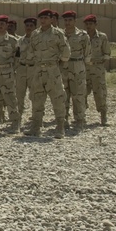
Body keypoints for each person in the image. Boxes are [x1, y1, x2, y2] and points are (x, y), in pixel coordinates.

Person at [25, 9, 71, 138]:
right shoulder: (35, 34)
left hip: (52, 70)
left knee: (57, 98)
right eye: (41, 18)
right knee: (37, 98)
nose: (43, 20)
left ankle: (60, 127)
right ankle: (36, 127)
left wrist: (59, 64)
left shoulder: (58, 33)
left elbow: (66, 52)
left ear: (52, 19)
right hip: (38, 69)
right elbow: (30, 51)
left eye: (46, 18)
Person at [61, 10, 92, 129]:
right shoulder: (60, 35)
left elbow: (87, 52)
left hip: (77, 65)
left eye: (70, 20)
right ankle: (64, 119)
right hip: (63, 66)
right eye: (66, 20)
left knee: (78, 94)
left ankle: (80, 119)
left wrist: (85, 66)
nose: (67, 22)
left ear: (74, 21)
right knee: (63, 94)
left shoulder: (82, 35)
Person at [84, 14, 111, 125]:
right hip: (84, 69)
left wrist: (99, 62)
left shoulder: (102, 37)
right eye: (87, 24)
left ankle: (103, 116)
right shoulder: (82, 36)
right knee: (81, 93)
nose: (89, 26)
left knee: (100, 92)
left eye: (91, 24)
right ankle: (81, 116)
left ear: (95, 24)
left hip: (97, 69)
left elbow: (107, 53)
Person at [15, 17, 37, 118]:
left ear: (35, 27)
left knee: (34, 93)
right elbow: (17, 55)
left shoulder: (38, 40)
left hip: (33, 69)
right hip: (22, 69)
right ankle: (18, 114)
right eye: (27, 26)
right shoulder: (19, 41)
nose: (29, 28)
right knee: (19, 93)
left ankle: (36, 115)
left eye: (31, 26)